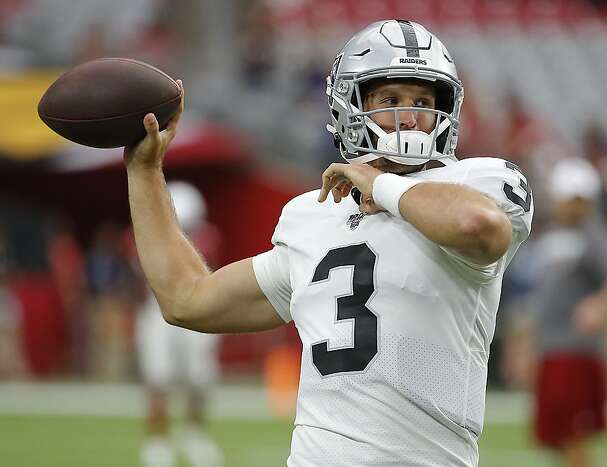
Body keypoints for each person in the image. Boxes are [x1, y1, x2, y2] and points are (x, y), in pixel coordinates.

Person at [123, 20, 533, 466]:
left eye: (423, 101)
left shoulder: (479, 181)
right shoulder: (314, 216)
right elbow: (187, 298)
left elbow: (477, 226)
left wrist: (380, 186)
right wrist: (144, 173)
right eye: (390, 100)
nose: (410, 117)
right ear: (349, 105)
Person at [529, 158, 607, 467]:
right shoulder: (549, 235)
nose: (572, 206)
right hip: (551, 346)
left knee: (574, 437)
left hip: (577, 350)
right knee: (556, 437)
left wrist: (600, 305)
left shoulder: (596, 235)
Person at [135, 181, 224, 467]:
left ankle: (194, 435)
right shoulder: (146, 233)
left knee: (200, 377)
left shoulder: (209, 237)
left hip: (200, 305)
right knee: (158, 376)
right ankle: (157, 441)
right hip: (157, 308)